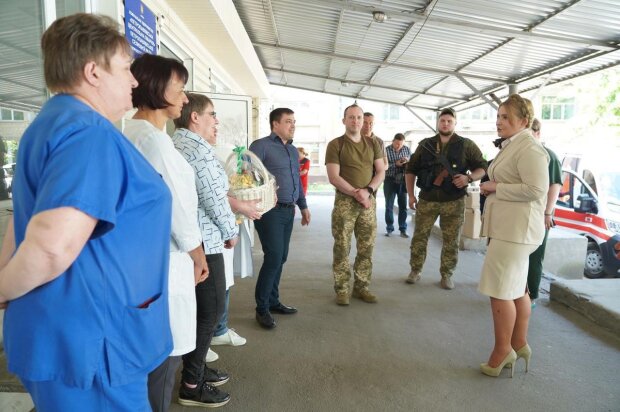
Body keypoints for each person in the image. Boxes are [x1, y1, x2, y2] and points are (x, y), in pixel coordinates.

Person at [0, 14, 172, 410]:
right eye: (127, 69)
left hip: (68, 331)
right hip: (90, 342)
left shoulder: (50, 124)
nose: (134, 81)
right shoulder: (89, 134)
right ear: (93, 72)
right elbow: (49, 246)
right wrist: (2, 289)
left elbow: (24, 222)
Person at [123, 54, 209, 412]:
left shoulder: (136, 132)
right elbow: (175, 208)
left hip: (144, 261)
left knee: (151, 353)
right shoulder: (153, 142)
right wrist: (199, 255)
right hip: (167, 261)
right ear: (157, 89)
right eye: (180, 89)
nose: (186, 99)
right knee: (164, 356)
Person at [173, 93, 239, 407]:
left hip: (193, 241)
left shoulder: (180, 145)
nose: (216, 120)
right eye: (212, 113)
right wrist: (232, 230)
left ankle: (194, 370)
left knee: (200, 312)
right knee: (208, 314)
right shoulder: (196, 151)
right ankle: (191, 383)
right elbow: (214, 197)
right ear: (194, 117)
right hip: (206, 243)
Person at [478, 94, 549, 377]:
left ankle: (502, 351)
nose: (499, 121)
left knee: (499, 291)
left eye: (505, 117)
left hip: (516, 231)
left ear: (523, 120)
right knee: (517, 288)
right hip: (512, 230)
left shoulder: (529, 148)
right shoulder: (516, 145)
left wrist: (495, 186)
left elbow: (536, 190)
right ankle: (518, 345)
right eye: (498, 116)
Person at [404, 108, 487, 290]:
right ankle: (415, 270)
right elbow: (410, 170)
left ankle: (447, 274)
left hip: (454, 201)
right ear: (438, 123)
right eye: (443, 120)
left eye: (449, 121)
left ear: (455, 123)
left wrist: (468, 178)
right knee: (419, 238)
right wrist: (410, 195)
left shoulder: (466, 145)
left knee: (451, 240)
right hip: (427, 199)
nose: (446, 123)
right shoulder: (426, 144)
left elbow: (483, 167)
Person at [249, 108, 311, 329]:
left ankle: (273, 301)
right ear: (275, 124)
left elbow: (296, 180)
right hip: (269, 211)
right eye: (288, 121)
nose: (292, 125)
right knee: (274, 256)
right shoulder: (261, 146)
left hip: (288, 211)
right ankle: (262, 308)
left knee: (281, 257)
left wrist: (303, 206)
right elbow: (247, 175)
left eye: (294, 121)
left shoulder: (293, 150)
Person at [325, 104, 385, 306]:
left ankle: (362, 287)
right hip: (345, 201)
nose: (356, 121)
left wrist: (367, 191)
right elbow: (334, 176)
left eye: (359, 117)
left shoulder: (372, 143)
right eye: (351, 117)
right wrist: (355, 193)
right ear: (344, 120)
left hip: (368, 201)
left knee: (366, 246)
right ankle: (342, 289)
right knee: (342, 246)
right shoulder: (336, 144)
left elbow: (380, 171)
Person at [528, 118, 562, 307]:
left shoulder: (549, 156)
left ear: (538, 133)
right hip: (525, 213)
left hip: (541, 215)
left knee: (534, 255)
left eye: (531, 131)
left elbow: (554, 185)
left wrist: (547, 213)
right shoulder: (525, 154)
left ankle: (532, 294)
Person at [384, 133, 411, 238]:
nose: (398, 146)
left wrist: (406, 161)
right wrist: (396, 164)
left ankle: (403, 229)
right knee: (389, 206)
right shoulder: (386, 150)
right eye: (396, 144)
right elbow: (383, 166)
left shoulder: (407, 149)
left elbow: (411, 162)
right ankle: (389, 228)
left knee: (403, 206)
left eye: (401, 144)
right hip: (389, 180)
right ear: (393, 141)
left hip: (402, 180)